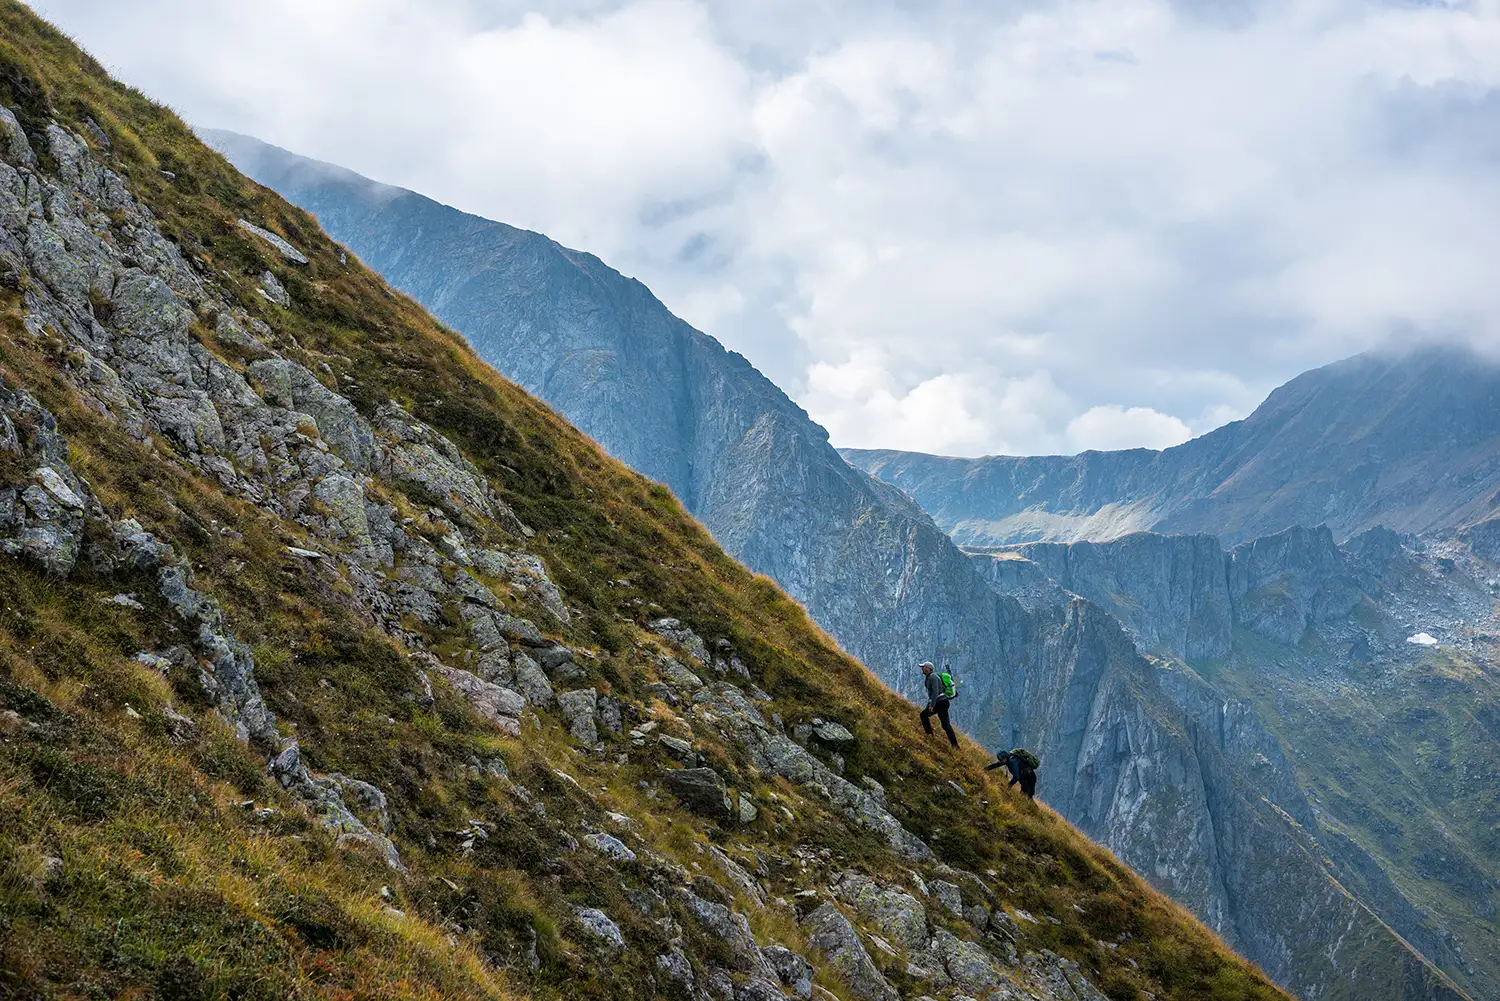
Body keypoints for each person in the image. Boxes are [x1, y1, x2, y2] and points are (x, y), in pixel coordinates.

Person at [919, 661, 958, 747]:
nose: (922, 668)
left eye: (923, 667)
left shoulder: (932, 677)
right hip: (943, 702)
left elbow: (935, 691)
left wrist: (932, 705)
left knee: (923, 715)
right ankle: (955, 746)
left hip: (939, 702)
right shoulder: (932, 676)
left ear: (928, 668)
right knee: (946, 725)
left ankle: (929, 735)